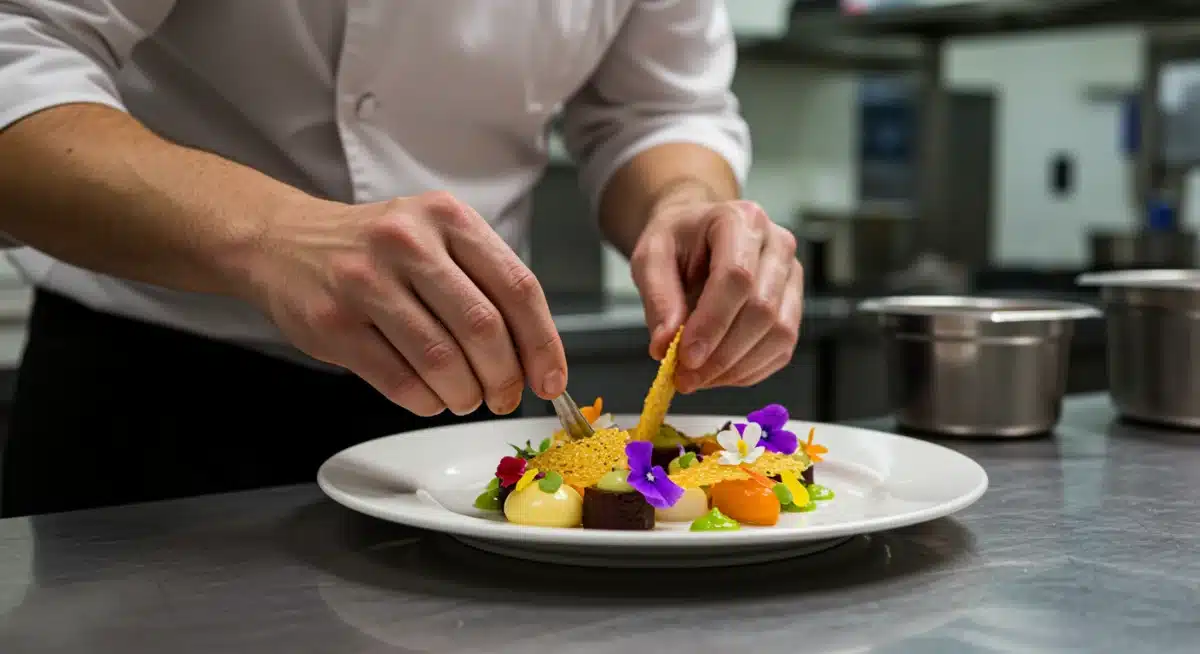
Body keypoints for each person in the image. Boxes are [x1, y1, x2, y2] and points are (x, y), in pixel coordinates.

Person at [0, 1, 803, 518]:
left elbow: (657, 105)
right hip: (148, 402)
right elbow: (19, 51)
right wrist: (271, 233)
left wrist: (685, 203)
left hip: (463, 414)